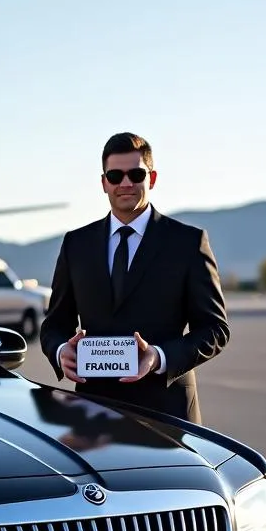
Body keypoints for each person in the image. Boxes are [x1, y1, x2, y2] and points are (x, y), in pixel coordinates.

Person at [39, 132, 230, 424]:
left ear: (151, 179)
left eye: (136, 174)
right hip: (93, 414)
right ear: (104, 183)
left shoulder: (188, 242)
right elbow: (54, 325)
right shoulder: (76, 244)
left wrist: (159, 356)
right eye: (115, 175)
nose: (125, 183)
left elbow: (216, 329)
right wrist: (62, 350)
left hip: (169, 415)